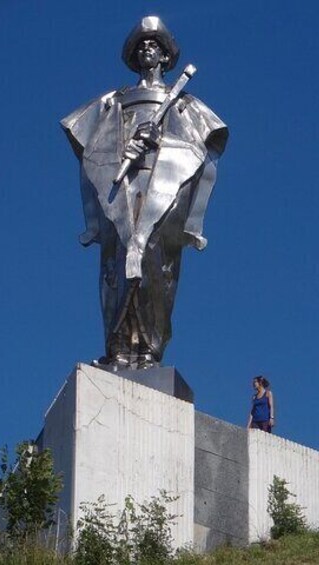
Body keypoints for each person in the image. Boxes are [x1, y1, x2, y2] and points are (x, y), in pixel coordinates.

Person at [60, 16, 228, 369]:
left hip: (162, 185)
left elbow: (204, 146)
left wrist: (159, 138)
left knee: (154, 257)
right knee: (117, 260)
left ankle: (149, 348)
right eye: (142, 46)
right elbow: (89, 143)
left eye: (154, 46)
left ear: (165, 56)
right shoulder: (114, 101)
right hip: (121, 186)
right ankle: (118, 346)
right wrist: (124, 147)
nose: (147, 50)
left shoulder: (183, 103)